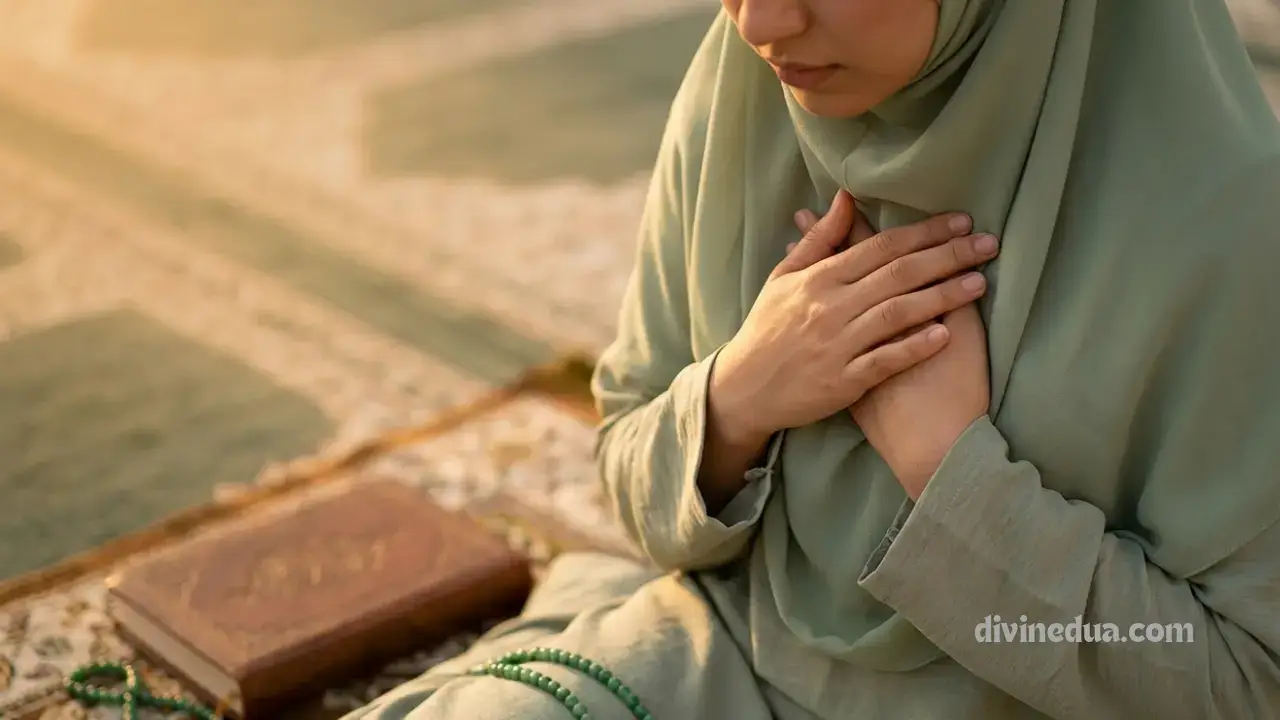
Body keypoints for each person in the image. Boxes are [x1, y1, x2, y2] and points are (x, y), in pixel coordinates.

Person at [345, 0, 1280, 717]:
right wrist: (740, 396)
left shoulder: (1229, 233)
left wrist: (951, 479)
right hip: (724, 655)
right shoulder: (743, 96)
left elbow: (1244, 685)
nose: (760, 23)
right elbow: (631, 473)